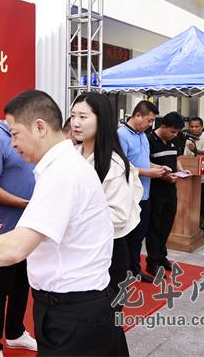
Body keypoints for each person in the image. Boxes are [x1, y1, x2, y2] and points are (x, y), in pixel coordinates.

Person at [0, 90, 126, 356]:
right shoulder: (61, 167)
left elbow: (15, 248)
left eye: (15, 134)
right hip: (72, 306)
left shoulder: (62, 173)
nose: (12, 144)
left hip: (74, 311)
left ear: (39, 127)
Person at [70, 93, 141, 314]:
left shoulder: (115, 164)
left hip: (108, 252)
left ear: (102, 120)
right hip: (78, 250)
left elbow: (119, 216)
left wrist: (72, 215)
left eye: (83, 117)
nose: (76, 122)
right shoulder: (72, 155)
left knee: (106, 320)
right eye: (73, 116)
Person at [0, 119, 37, 357]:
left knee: (22, 283)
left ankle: (15, 332)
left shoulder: (28, 137)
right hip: (4, 229)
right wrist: (24, 203)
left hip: (29, 226)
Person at [117, 101, 169, 283]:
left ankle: (135, 269)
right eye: (149, 120)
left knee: (139, 235)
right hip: (130, 195)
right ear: (137, 115)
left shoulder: (143, 136)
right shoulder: (121, 135)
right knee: (128, 236)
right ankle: (124, 271)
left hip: (145, 193)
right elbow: (121, 167)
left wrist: (157, 167)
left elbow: (143, 162)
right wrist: (149, 172)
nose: (150, 125)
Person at [145, 111, 186, 276]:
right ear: (163, 126)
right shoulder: (149, 140)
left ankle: (162, 256)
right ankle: (152, 262)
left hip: (171, 188)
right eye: (172, 131)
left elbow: (176, 159)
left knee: (167, 224)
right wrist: (164, 176)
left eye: (177, 132)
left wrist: (181, 171)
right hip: (155, 189)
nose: (174, 135)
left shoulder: (175, 139)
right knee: (154, 227)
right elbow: (145, 164)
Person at [184, 117, 204, 237]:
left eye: (196, 126)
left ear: (202, 127)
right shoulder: (188, 140)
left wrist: (196, 150)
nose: (193, 129)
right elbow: (185, 157)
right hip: (191, 177)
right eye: (191, 126)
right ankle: (195, 227)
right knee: (194, 205)